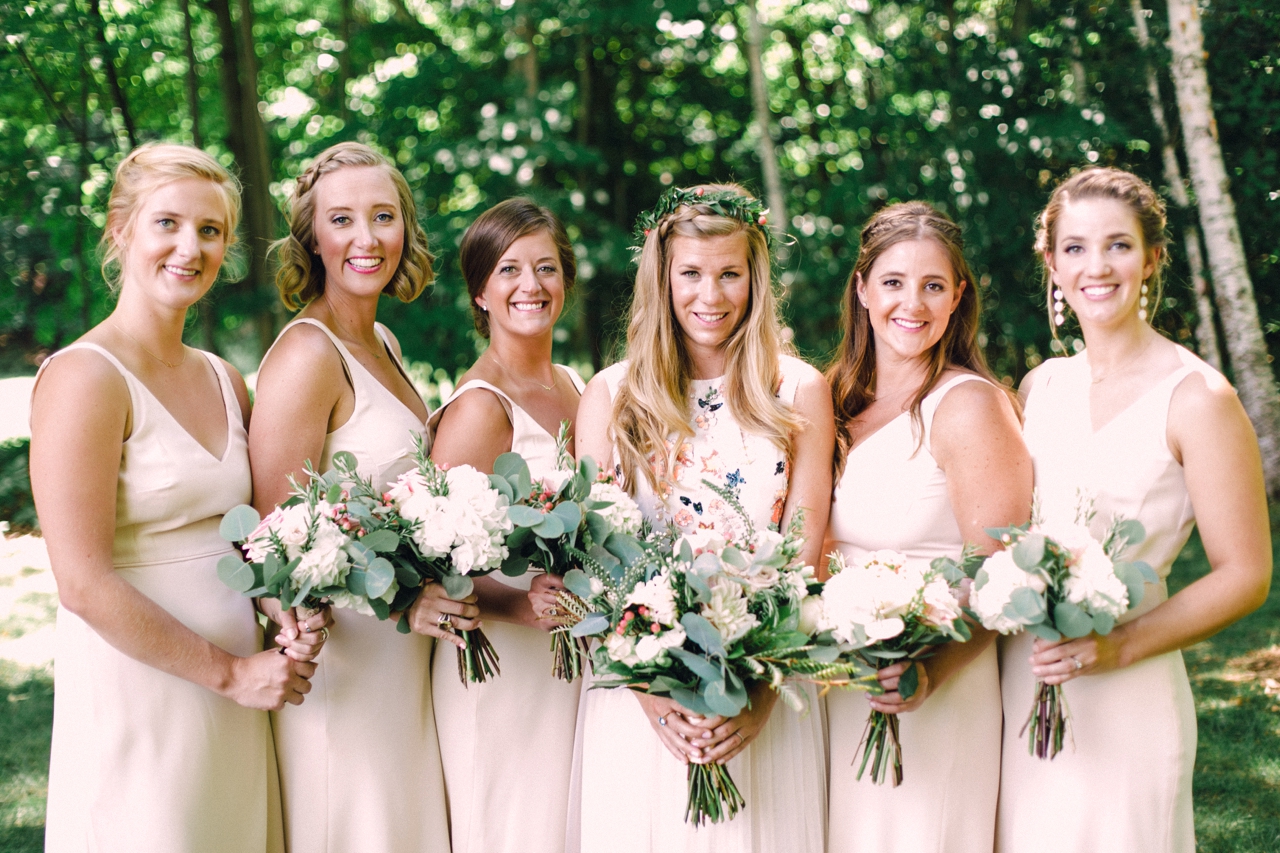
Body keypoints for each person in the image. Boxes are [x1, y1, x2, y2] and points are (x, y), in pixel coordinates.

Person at [31, 143, 319, 852]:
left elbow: (248, 539)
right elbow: (83, 582)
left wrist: (286, 611)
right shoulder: (84, 377)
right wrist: (230, 673)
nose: (190, 248)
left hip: (239, 698)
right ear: (120, 229)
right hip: (145, 694)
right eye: (168, 223)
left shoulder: (226, 377)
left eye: (211, 230)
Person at [997, 167, 1272, 853]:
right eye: (1077, 247)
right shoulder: (1040, 386)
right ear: (1051, 261)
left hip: (1130, 692)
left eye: (1119, 245)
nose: (1098, 266)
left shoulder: (1198, 397)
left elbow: (1245, 574)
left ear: (1152, 258)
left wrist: (1114, 647)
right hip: (1025, 684)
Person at [571, 184, 835, 852]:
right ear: (662, 278)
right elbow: (592, 562)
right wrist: (657, 698)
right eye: (690, 273)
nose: (710, 296)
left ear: (756, 277)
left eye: (729, 274)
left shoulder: (799, 389)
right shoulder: (612, 395)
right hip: (641, 700)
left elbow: (808, 554)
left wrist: (761, 695)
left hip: (762, 693)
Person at [249, 141, 467, 852]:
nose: (366, 238)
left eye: (383, 215)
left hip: (403, 663)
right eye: (342, 219)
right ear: (312, 235)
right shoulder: (307, 354)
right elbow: (277, 545)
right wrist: (402, 598)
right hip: (343, 669)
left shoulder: (384, 340)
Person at [822, 201, 1032, 851]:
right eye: (893, 282)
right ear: (861, 289)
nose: (911, 303)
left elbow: (1000, 571)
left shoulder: (967, 405)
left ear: (957, 297)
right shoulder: (830, 399)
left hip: (932, 683)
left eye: (933, 285)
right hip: (834, 682)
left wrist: (924, 669)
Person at [429, 197, 585, 853]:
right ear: (481, 290)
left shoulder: (574, 384)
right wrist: (518, 605)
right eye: (510, 270)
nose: (532, 286)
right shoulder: (478, 408)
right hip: (499, 669)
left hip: (569, 660)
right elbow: (433, 559)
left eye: (546, 267)